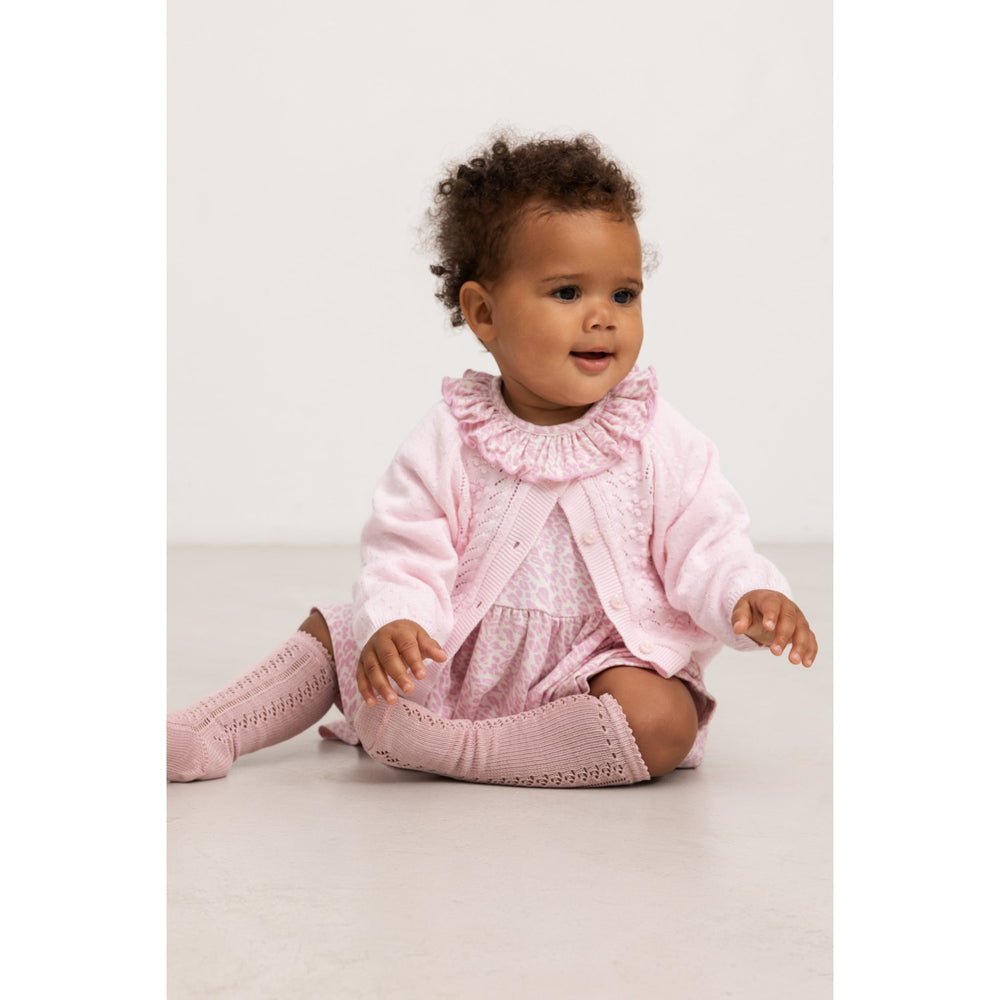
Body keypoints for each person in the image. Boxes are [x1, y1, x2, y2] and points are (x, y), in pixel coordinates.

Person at [167, 133, 817, 788]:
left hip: (594, 665)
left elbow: (707, 541)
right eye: (568, 293)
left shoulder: (657, 437)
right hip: (454, 651)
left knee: (662, 721)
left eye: (624, 295)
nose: (603, 317)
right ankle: (210, 727)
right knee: (337, 633)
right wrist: (398, 621)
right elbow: (405, 550)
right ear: (484, 313)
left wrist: (747, 593)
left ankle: (454, 749)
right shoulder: (453, 436)